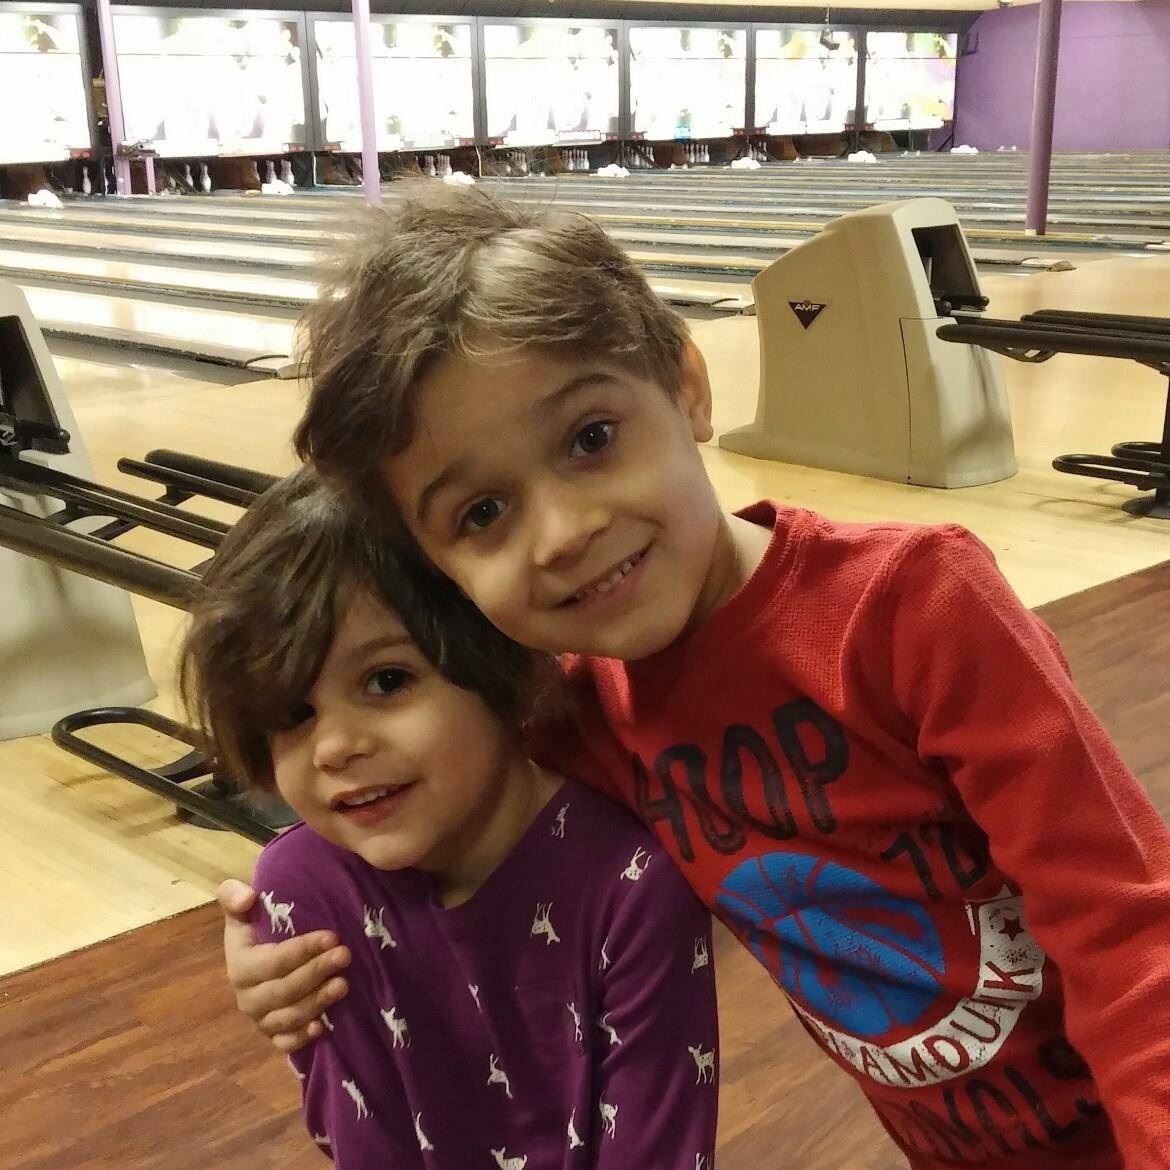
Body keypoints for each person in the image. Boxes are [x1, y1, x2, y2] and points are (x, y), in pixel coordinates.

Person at [217, 183, 1170, 1169]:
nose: (563, 531)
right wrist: (283, 937)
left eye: (591, 440)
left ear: (687, 386)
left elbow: (1128, 929)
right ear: (441, 570)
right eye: (483, 514)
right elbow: (411, 802)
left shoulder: (910, 610)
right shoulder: (581, 718)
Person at [181, 465, 718, 1169]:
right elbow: (356, 1138)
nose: (336, 747)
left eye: (387, 681)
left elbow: (657, 1146)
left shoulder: (632, 882)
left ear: (495, 655)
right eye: (293, 715)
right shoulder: (302, 889)